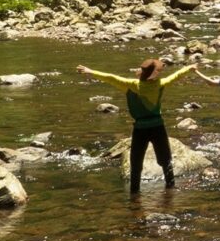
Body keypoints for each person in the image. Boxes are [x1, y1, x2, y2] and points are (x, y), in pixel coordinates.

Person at [77, 58, 196, 192]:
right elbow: (176, 76)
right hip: (158, 127)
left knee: (136, 164)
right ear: (155, 74)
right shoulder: (161, 84)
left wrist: (90, 71)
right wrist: (189, 68)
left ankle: (135, 196)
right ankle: (170, 190)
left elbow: (110, 78)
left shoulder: (131, 85)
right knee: (165, 161)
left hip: (140, 129)